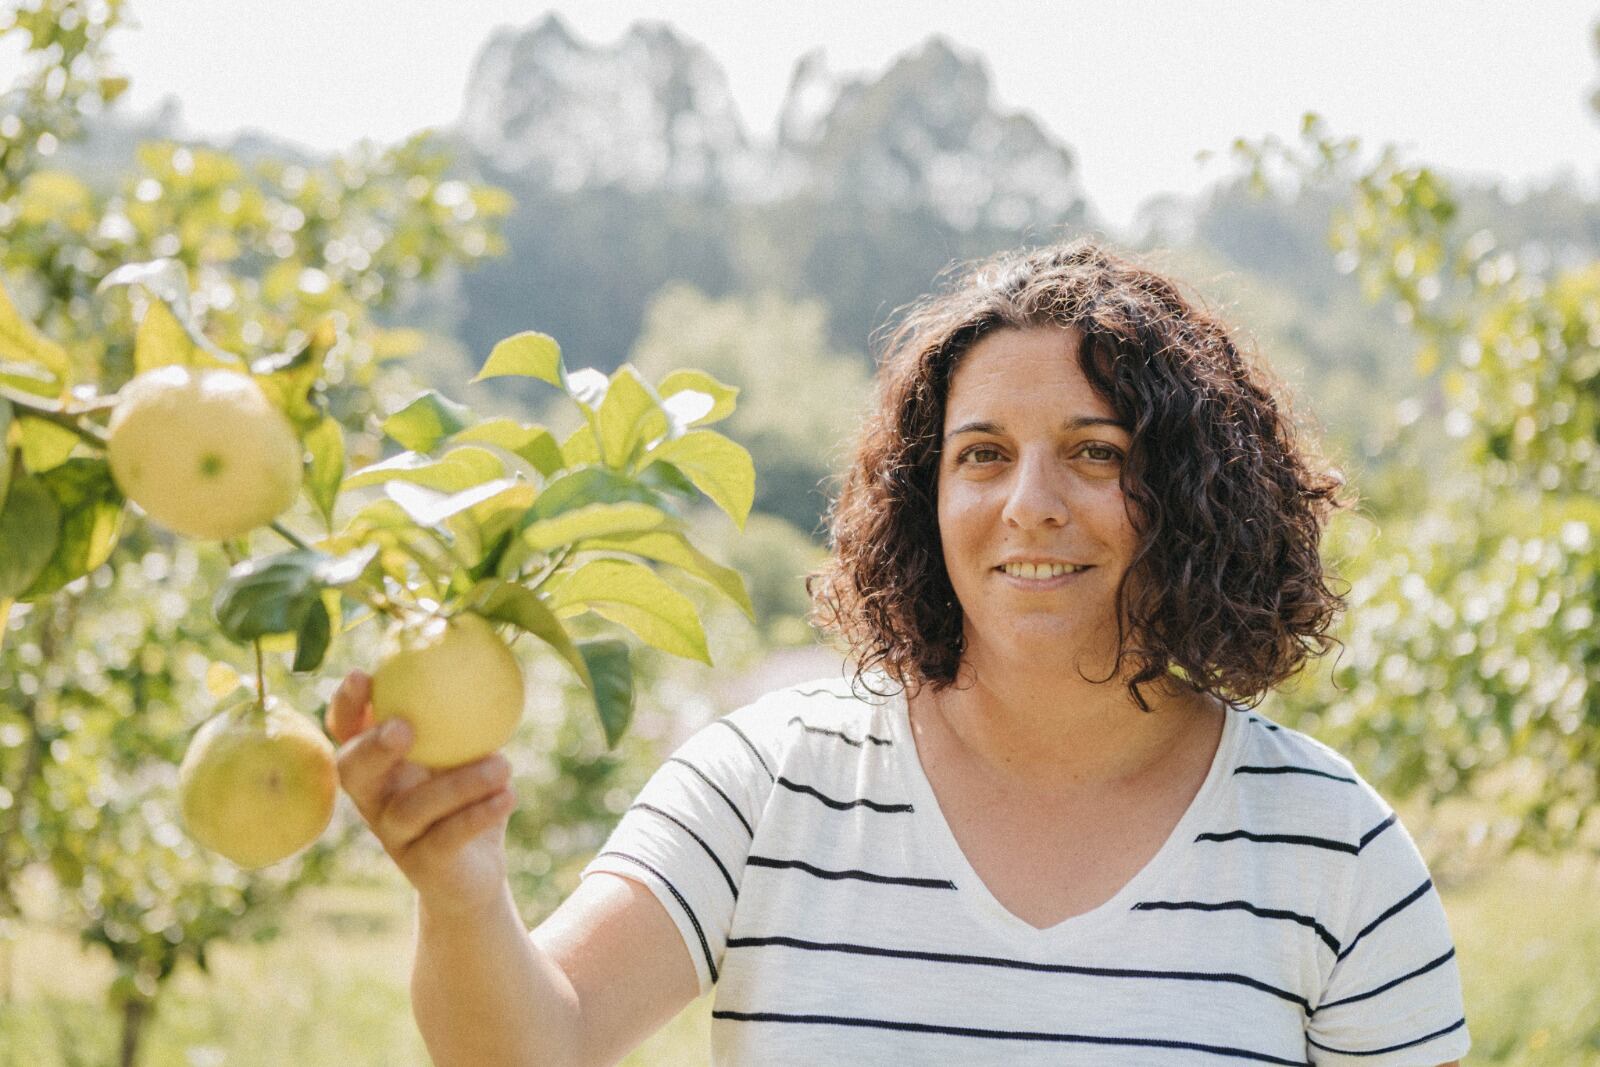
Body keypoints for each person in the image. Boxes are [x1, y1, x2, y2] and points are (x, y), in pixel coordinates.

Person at [327, 239, 1470, 1066]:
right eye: (981, 454)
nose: (1029, 503)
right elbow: (543, 1043)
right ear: (922, 496)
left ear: (1191, 491)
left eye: (1093, 450)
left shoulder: (1333, 847)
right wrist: (462, 892)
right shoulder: (768, 780)